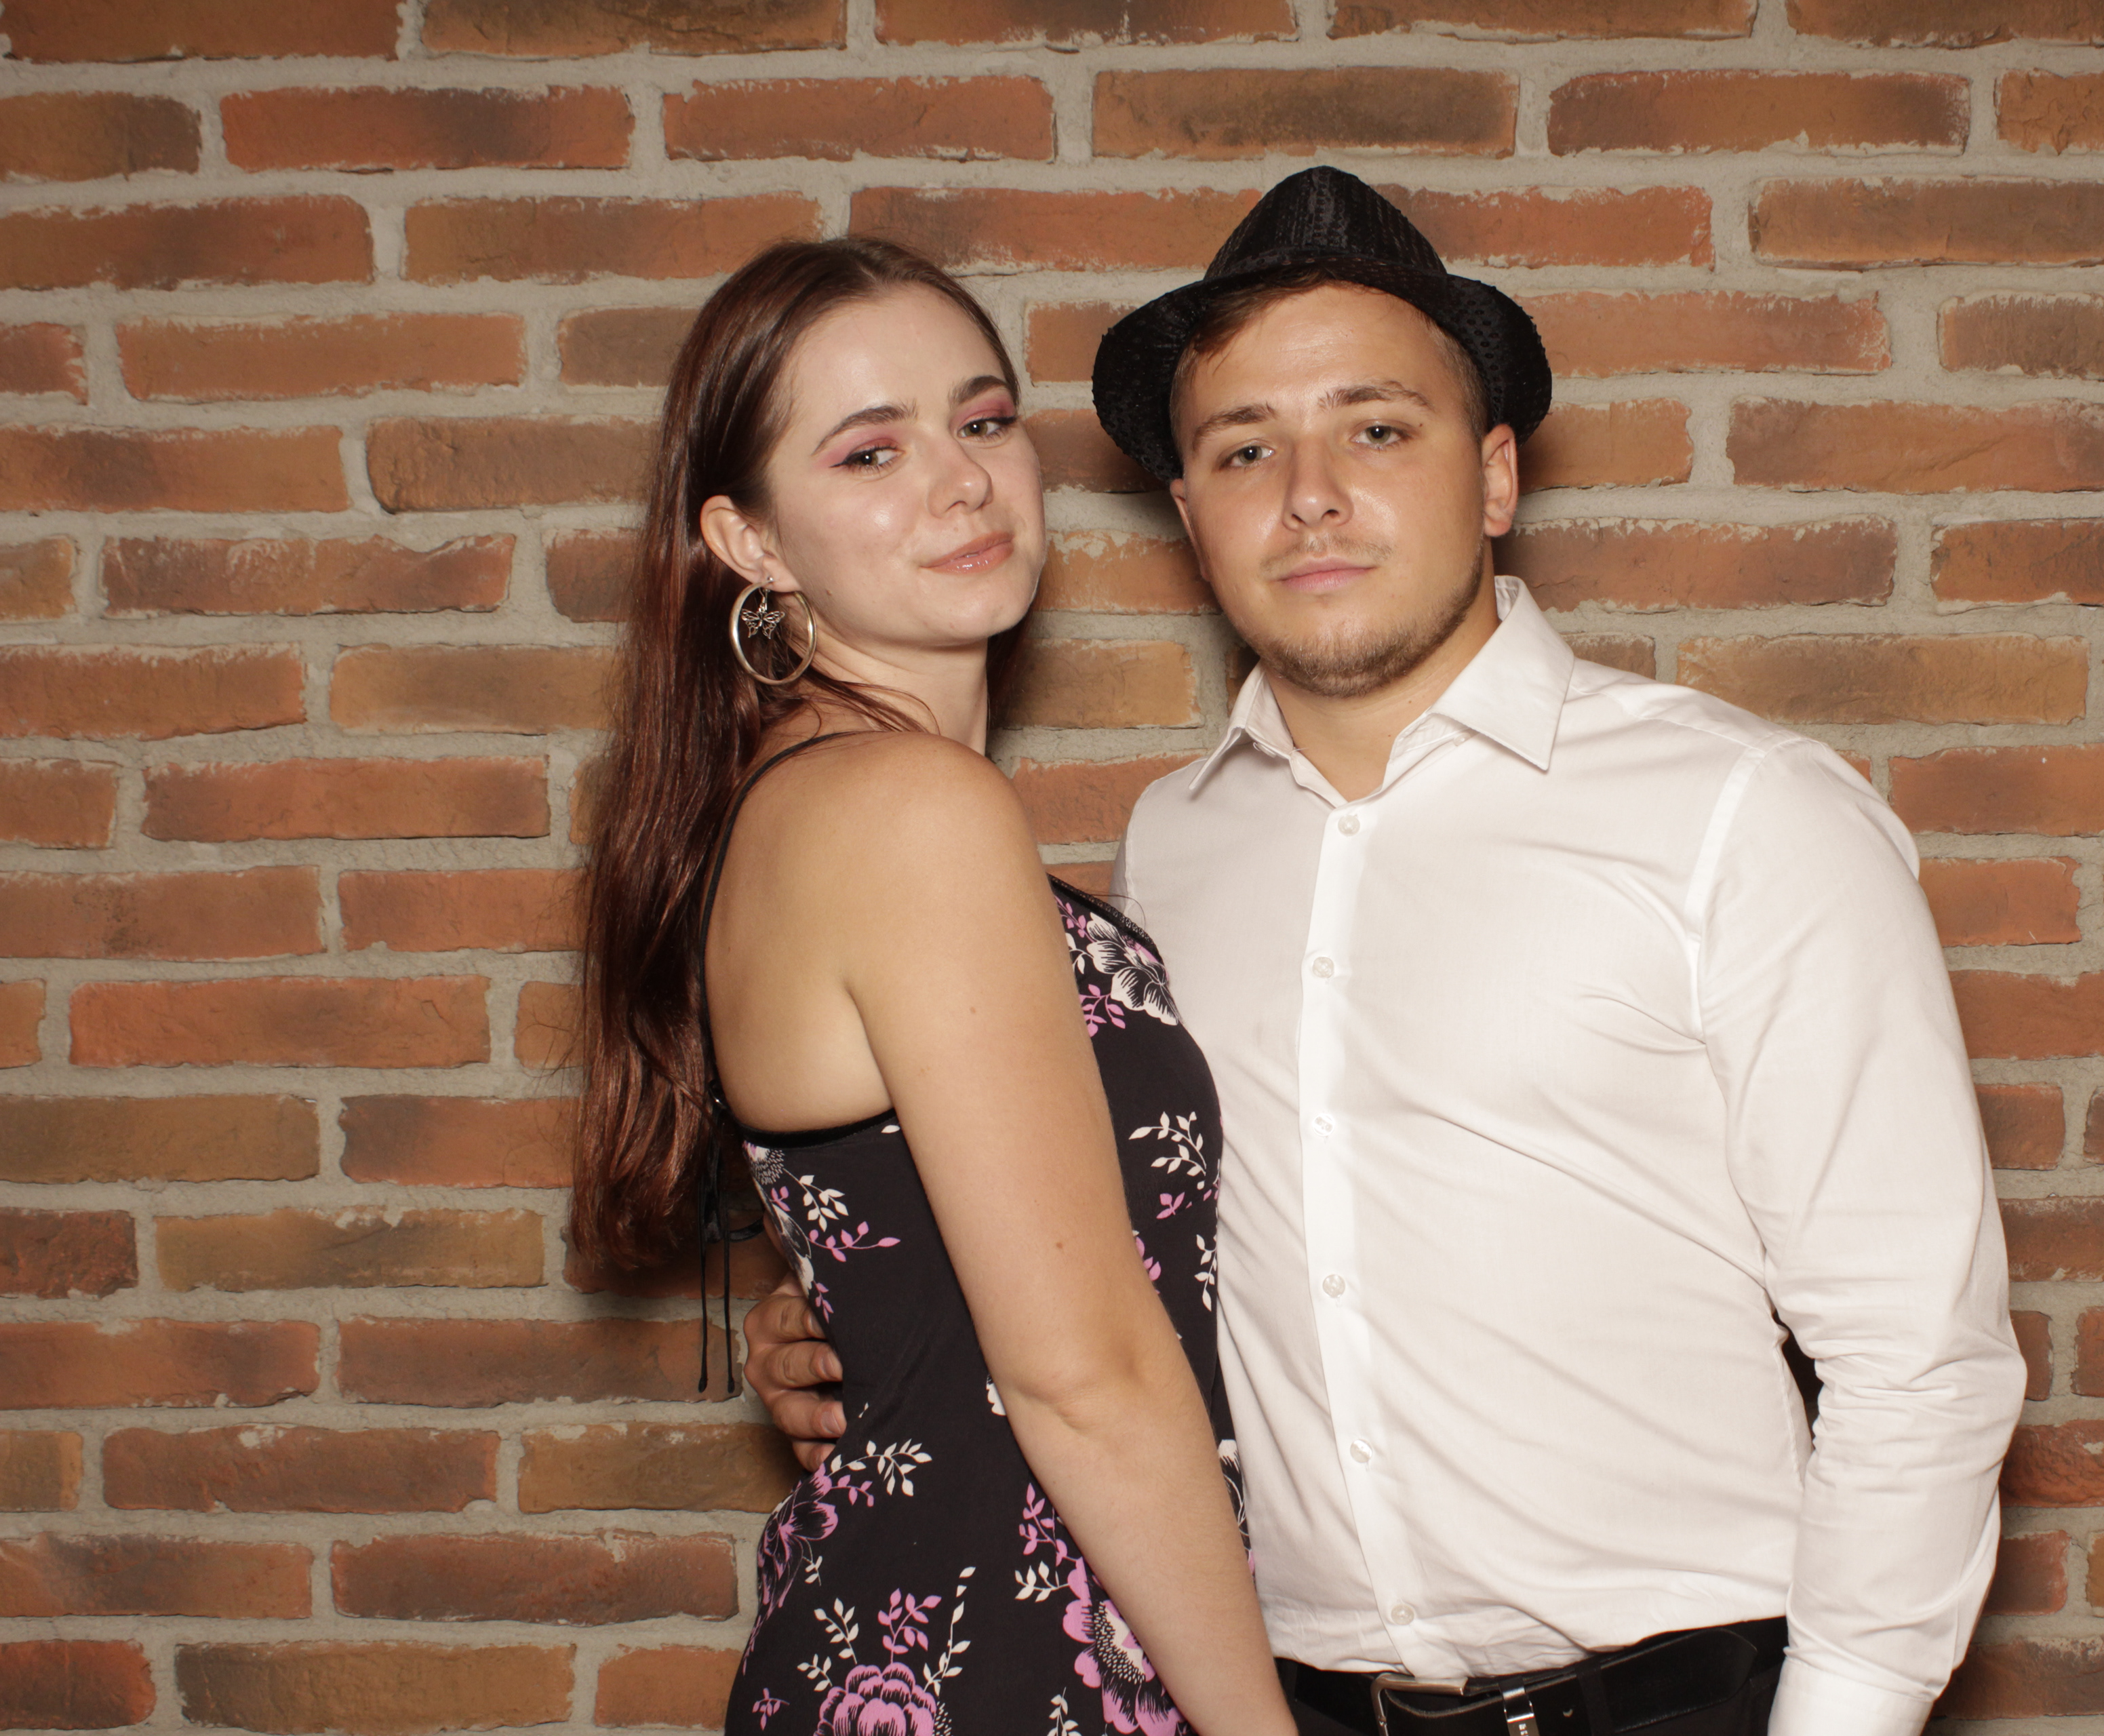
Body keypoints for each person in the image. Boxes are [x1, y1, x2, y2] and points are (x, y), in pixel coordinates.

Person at [747, 172, 2025, 1736]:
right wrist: (861, 1310)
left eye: (1376, 428)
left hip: (1682, 1695)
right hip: (1278, 1697)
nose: (1310, 494)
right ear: (1189, 515)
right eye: (1244, 449)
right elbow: (1097, 1243)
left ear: (1493, 476)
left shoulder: (1744, 814)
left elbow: (1920, 1351)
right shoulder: (1167, 854)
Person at [570, 235, 1294, 1736]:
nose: (962, 480)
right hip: (1004, 1671)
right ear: (751, 540)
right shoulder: (911, 810)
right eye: (869, 451)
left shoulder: (798, 800)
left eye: (982, 419)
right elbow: (1085, 1377)